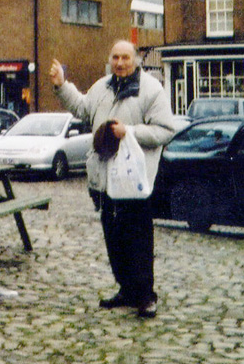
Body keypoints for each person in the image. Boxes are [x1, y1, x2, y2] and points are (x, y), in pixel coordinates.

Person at [49, 40, 176, 319]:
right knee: (114, 239)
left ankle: (146, 296)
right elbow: (82, 108)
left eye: (125, 58)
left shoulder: (151, 90)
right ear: (110, 59)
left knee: (138, 240)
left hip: (135, 182)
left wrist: (128, 132)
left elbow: (165, 131)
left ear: (136, 60)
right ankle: (126, 290)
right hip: (105, 179)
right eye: (116, 57)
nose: (120, 63)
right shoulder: (102, 87)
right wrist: (62, 86)